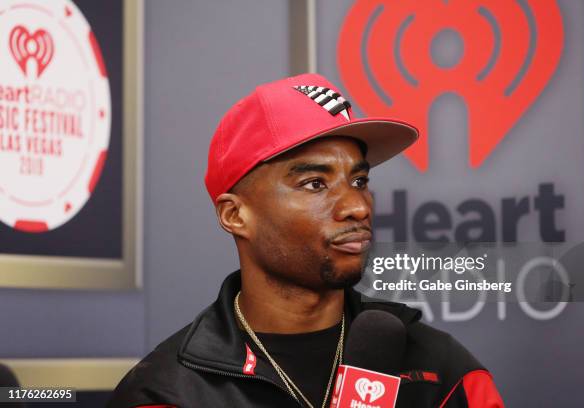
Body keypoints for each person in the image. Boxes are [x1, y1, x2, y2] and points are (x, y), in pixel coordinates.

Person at [109, 73, 504, 407]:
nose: (357, 207)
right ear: (235, 215)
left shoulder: (446, 375)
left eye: (360, 181)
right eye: (315, 184)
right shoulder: (166, 394)